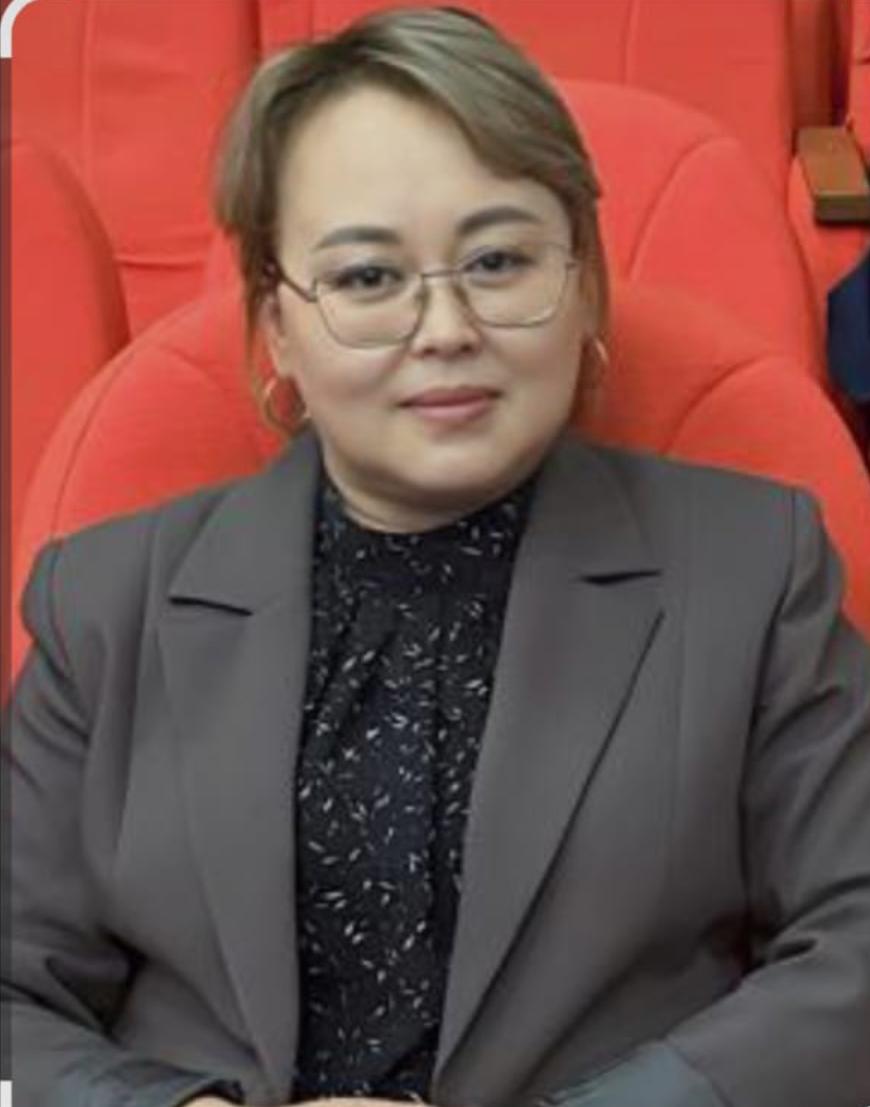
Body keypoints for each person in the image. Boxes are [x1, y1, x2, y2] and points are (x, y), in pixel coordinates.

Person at [4, 7, 870, 1107]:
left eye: (498, 261)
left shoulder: (754, 570)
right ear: (277, 325)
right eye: (369, 278)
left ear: (584, 282)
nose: (447, 327)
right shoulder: (105, 601)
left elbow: (855, 941)